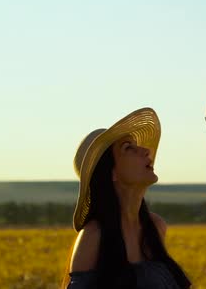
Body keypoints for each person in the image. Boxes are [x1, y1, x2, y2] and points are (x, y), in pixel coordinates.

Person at [62, 108, 191, 289]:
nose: (146, 151)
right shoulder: (93, 237)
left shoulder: (155, 227)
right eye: (128, 147)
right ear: (111, 172)